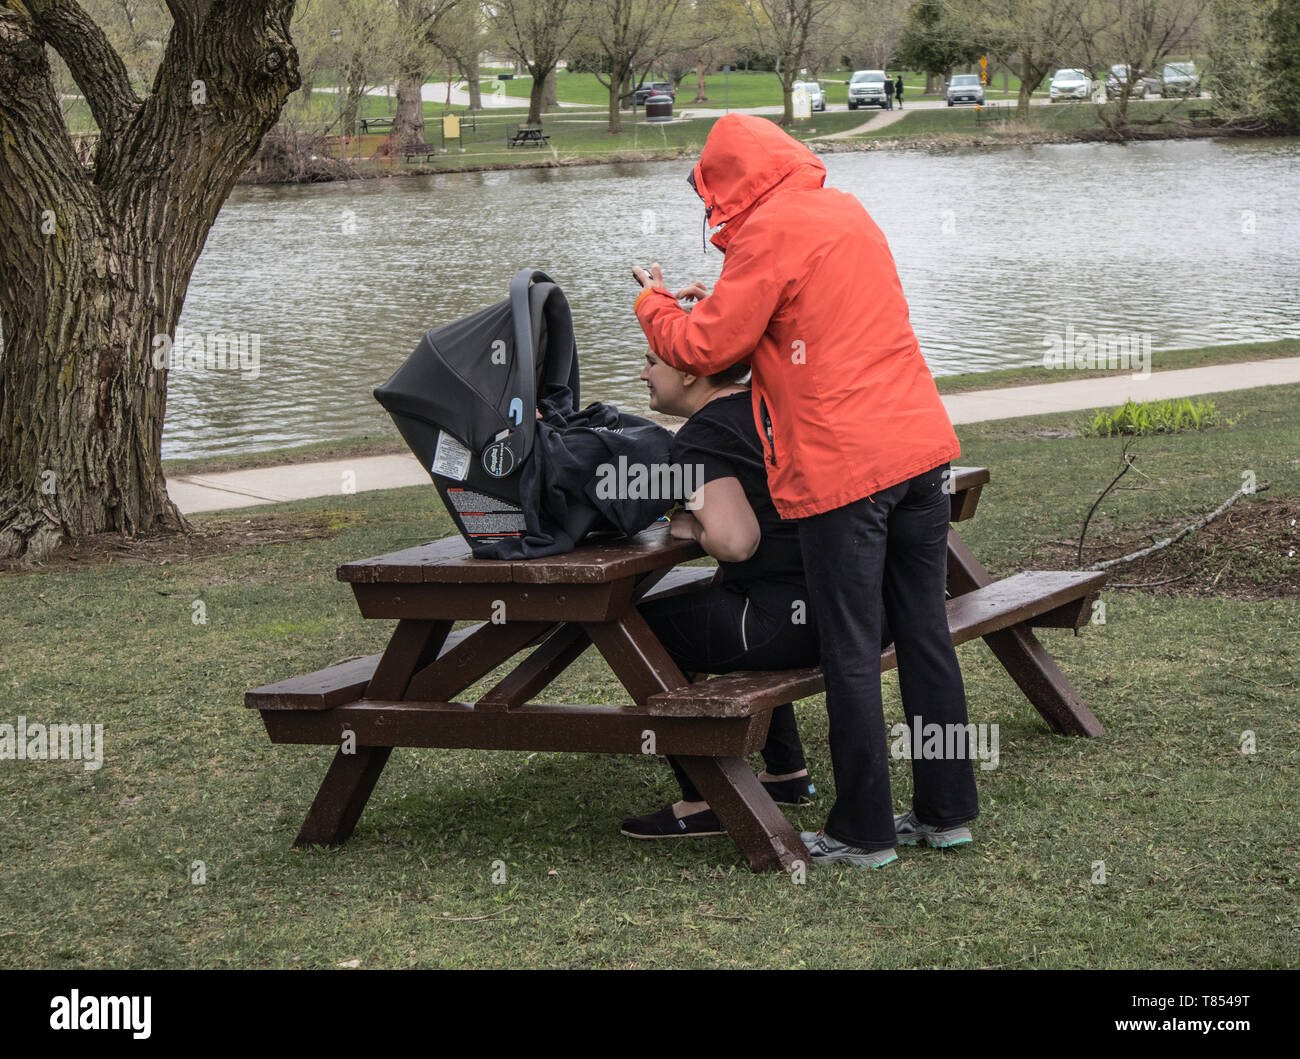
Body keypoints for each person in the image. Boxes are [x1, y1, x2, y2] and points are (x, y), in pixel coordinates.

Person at [631, 113, 979, 870]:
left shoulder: (764, 234)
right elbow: (800, 325)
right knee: (923, 631)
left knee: (851, 645)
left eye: (708, 191)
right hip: (920, 449)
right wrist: (716, 305)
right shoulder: (845, 211)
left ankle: (862, 829)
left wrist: (655, 305)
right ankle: (946, 810)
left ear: (725, 185)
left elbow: (702, 349)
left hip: (844, 468)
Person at [620, 345, 820, 838]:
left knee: (638, 629)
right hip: (850, 611)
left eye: (651, 360)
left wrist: (695, 527)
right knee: (723, 601)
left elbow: (736, 540)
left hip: (790, 626)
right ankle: (786, 772)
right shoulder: (769, 405)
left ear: (689, 371)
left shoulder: (704, 434)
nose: (642, 372)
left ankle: (706, 799)